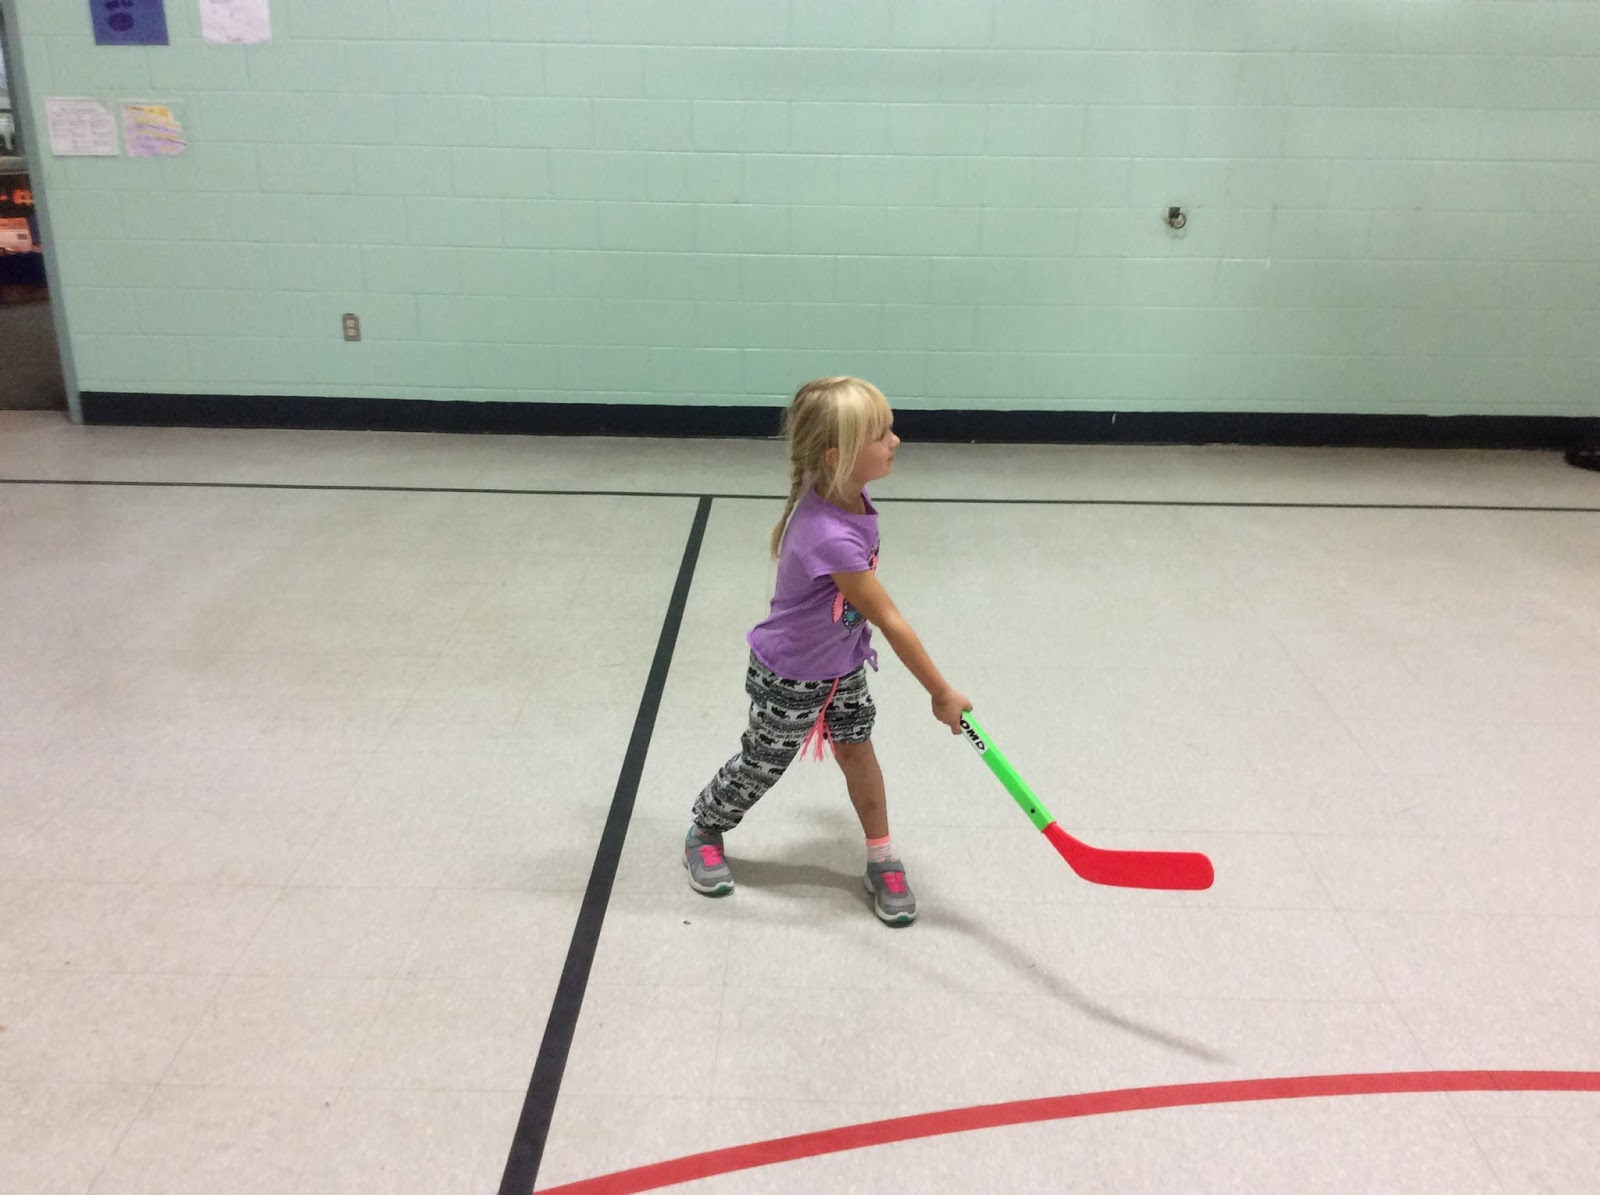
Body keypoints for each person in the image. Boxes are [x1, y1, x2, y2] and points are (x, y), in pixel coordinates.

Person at [684, 376, 971, 925]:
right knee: (764, 762)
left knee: (857, 750)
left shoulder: (850, 497)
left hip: (842, 666)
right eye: (881, 434)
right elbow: (888, 618)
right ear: (838, 457)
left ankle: (882, 858)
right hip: (790, 676)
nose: (896, 441)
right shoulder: (829, 535)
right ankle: (705, 827)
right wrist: (941, 692)